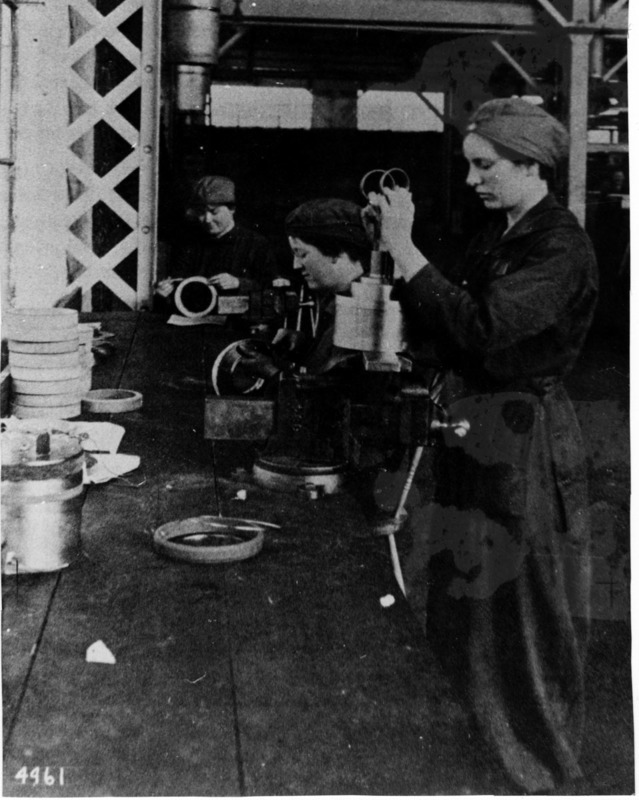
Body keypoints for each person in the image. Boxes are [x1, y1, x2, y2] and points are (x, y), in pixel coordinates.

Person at [371, 98, 598, 794]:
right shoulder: (497, 236)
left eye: (484, 165)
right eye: (469, 165)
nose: (471, 179)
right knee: (465, 602)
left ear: (531, 164)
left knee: (517, 613)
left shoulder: (558, 246)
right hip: (478, 430)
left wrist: (407, 252)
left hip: (521, 443)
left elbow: (486, 328)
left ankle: (536, 775)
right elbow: (449, 328)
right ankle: (471, 762)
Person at [240, 197, 371, 378]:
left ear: (337, 252)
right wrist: (307, 347)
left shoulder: (367, 312)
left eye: (302, 254)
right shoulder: (342, 301)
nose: (296, 265)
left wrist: (272, 374)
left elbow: (335, 398)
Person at [155, 175, 281, 304]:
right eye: (201, 212)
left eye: (214, 212)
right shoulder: (189, 244)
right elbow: (177, 284)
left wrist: (238, 283)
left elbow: (272, 289)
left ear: (232, 209)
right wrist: (164, 292)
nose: (207, 219)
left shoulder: (257, 244)